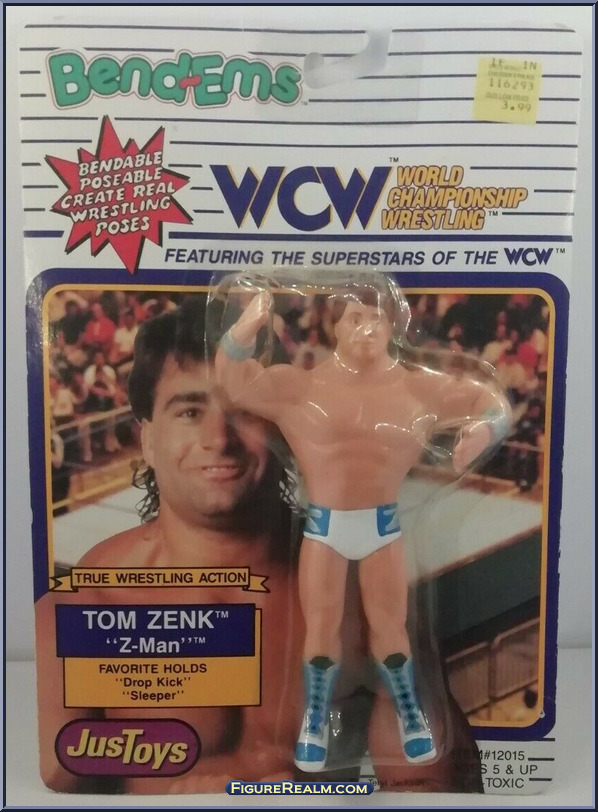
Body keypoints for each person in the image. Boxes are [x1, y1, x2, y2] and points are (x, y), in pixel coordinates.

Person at [216, 275, 511, 774]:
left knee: (390, 630)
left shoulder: (417, 387)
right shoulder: (302, 387)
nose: (367, 328)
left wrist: (486, 429)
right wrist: (246, 326)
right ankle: (315, 719)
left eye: (376, 318)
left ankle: (410, 715)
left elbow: (491, 402)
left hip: (382, 528)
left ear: (392, 326)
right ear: (336, 326)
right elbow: (233, 382)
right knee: (321, 629)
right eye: (355, 317)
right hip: (325, 529)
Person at [35, 297, 304, 794]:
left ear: (284, 427)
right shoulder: (91, 602)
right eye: (190, 411)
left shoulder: (357, 581)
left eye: (245, 410)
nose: (218, 438)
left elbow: (429, 781)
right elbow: (50, 783)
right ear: (148, 441)